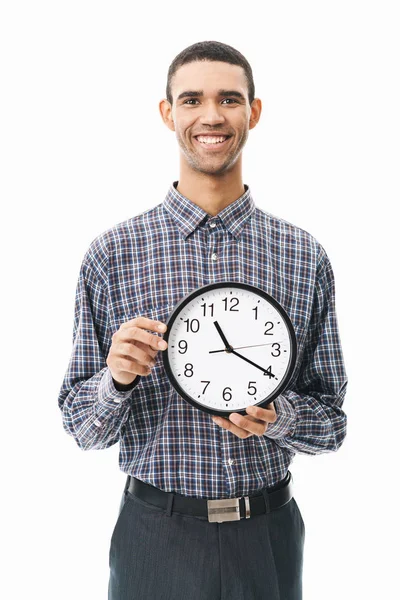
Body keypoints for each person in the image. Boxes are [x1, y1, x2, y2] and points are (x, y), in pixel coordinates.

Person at [58, 41, 348, 600]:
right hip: (154, 535)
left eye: (229, 99)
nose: (211, 116)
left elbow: (332, 423)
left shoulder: (301, 255)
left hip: (266, 537)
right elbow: (79, 426)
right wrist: (115, 381)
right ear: (169, 114)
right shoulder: (114, 254)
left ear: (253, 112)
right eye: (192, 99)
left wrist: (278, 417)